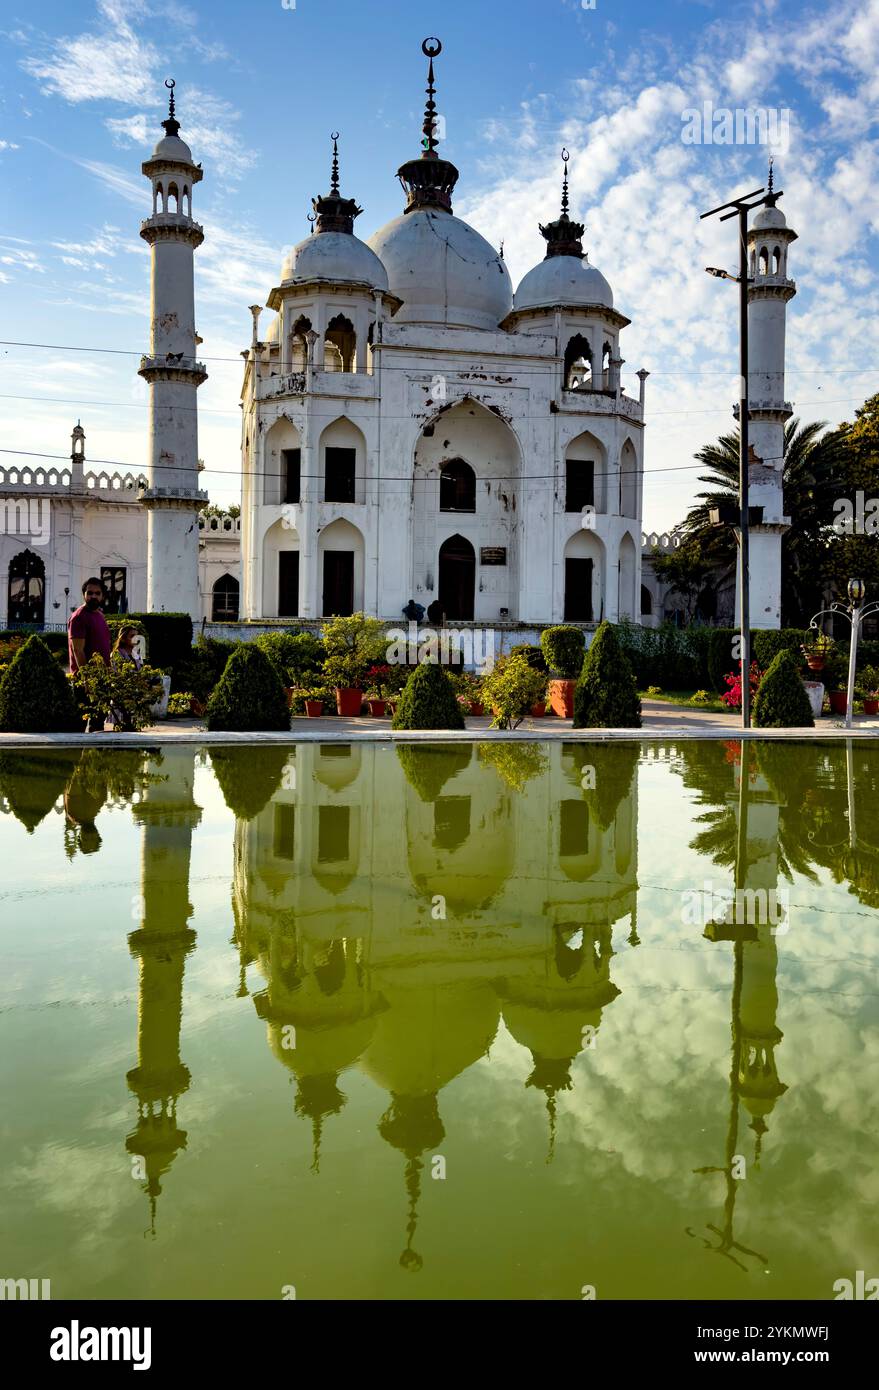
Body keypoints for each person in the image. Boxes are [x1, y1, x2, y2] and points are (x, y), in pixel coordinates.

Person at [68, 577, 111, 732]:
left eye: (97, 593)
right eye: (90, 593)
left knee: (98, 722)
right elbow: (77, 650)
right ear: (84, 595)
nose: (93, 596)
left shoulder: (99, 615)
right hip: (85, 681)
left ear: (102, 596)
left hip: (102, 678)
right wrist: (87, 679)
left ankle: (93, 756)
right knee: (79, 725)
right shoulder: (79, 617)